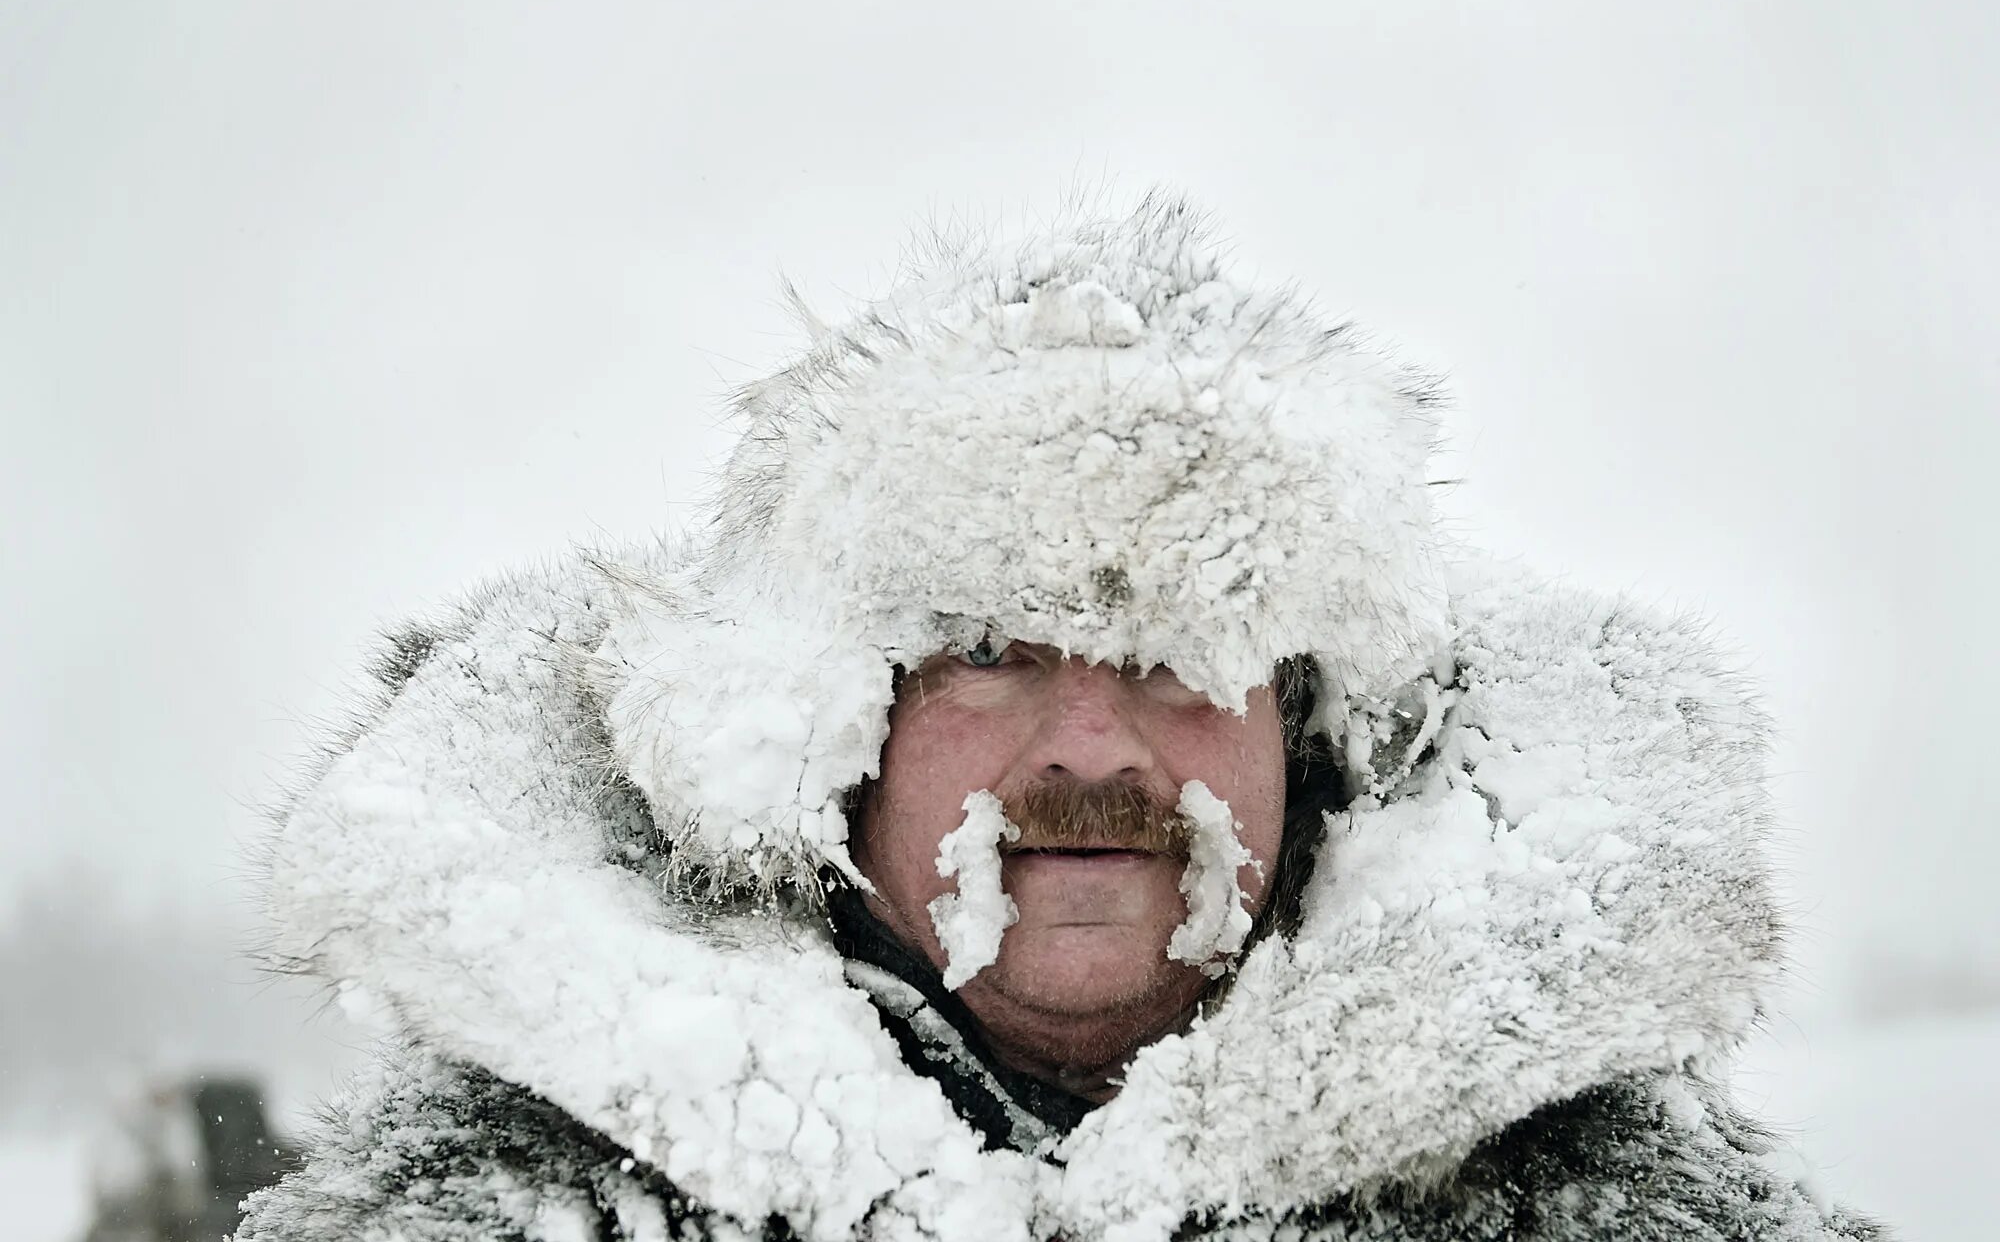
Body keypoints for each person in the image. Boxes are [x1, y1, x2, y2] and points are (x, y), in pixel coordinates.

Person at [238, 193, 1885, 1240]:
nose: (1093, 746)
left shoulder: (1611, 1214)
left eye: (1186, 653)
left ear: (1302, 739)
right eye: (985, 651)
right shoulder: (494, 1211)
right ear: (819, 736)